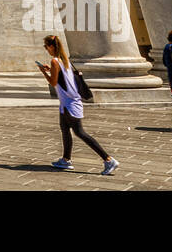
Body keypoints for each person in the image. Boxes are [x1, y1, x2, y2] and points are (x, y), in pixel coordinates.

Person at [37, 34, 119, 175]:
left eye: (46, 46)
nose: (46, 49)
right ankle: (66, 159)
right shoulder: (64, 60)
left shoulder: (55, 61)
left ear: (51, 46)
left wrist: (44, 72)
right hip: (68, 102)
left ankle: (108, 159)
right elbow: (63, 77)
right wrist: (50, 70)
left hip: (69, 103)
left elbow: (54, 82)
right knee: (64, 128)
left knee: (79, 132)